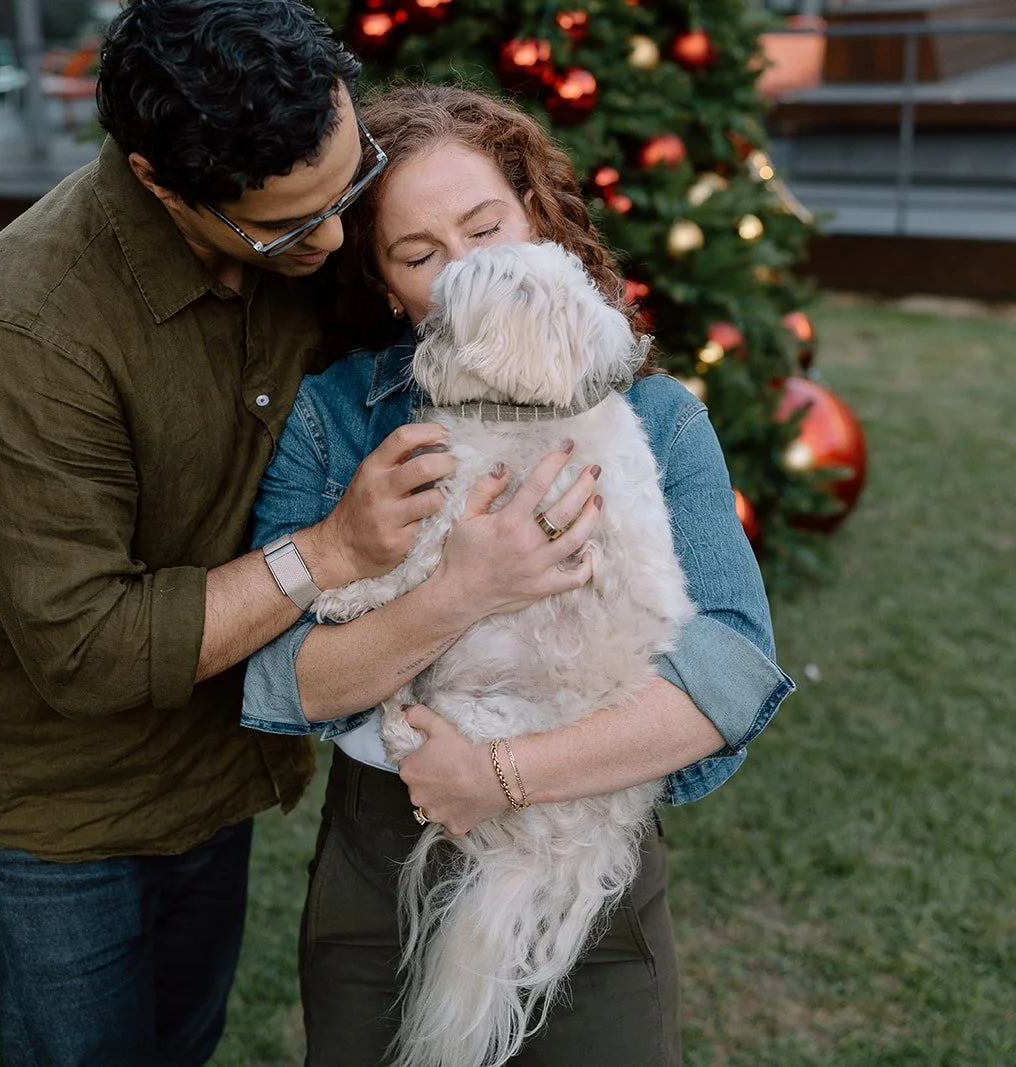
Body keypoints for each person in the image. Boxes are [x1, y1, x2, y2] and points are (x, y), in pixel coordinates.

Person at [0, 3, 469, 1064]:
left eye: (349, 186)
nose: (339, 242)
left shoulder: (301, 221)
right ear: (160, 179)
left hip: (214, 761)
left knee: (183, 1037)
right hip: (51, 804)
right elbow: (85, 647)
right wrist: (332, 553)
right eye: (292, 227)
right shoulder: (20, 336)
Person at [242, 84, 796, 1067]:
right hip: (379, 854)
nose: (467, 271)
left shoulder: (656, 416)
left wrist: (501, 777)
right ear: (381, 285)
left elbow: (732, 673)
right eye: (419, 254)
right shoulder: (334, 418)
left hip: (588, 831)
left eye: (486, 225)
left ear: (536, 218)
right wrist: (463, 589)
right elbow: (282, 678)